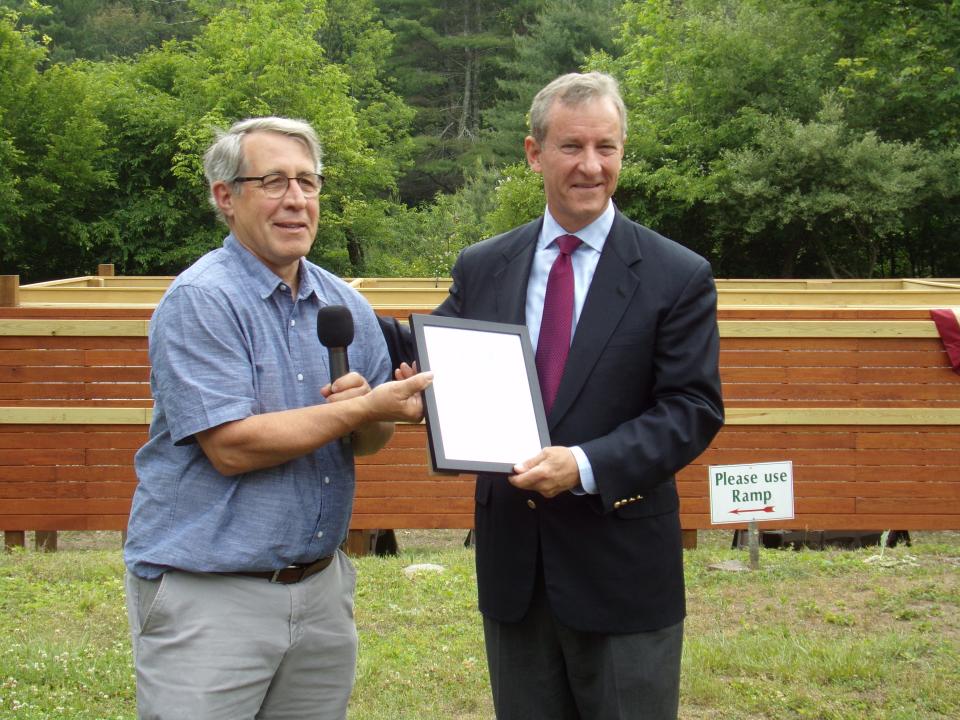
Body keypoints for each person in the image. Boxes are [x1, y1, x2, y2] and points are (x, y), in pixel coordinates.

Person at [433, 72, 724, 719]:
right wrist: (377, 375)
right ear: (535, 154)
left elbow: (692, 409)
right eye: (571, 147)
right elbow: (435, 357)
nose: (591, 165)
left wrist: (583, 465)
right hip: (517, 575)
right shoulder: (483, 266)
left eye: (607, 147)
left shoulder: (677, 276)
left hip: (622, 574)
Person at [123, 116, 431, 720]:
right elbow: (231, 447)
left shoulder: (344, 303)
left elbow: (368, 441)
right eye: (273, 181)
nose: (296, 200)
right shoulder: (201, 300)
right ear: (226, 197)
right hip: (211, 594)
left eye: (308, 183)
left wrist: (368, 412)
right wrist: (361, 408)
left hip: (320, 589)